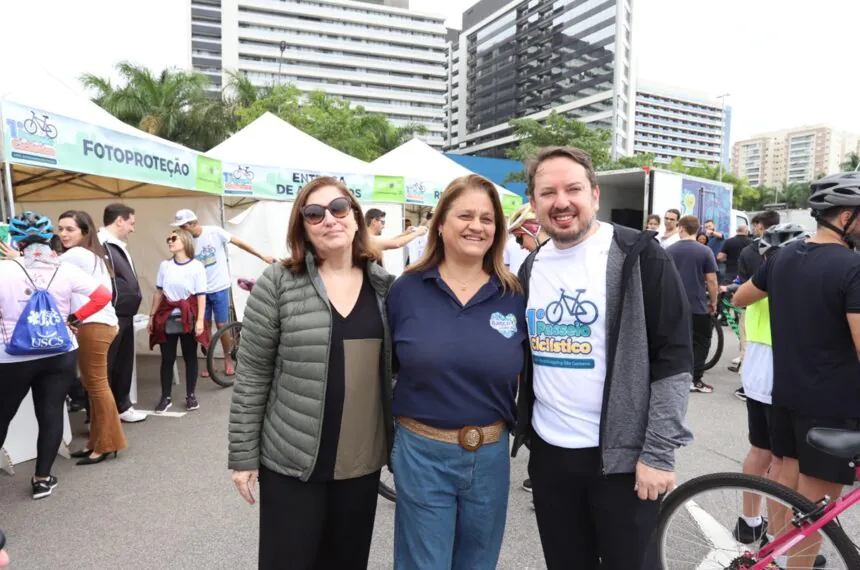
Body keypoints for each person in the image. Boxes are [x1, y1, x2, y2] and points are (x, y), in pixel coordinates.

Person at [511, 146, 693, 570]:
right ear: (534, 204)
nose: (561, 201)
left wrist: (658, 453)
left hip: (624, 462)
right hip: (551, 456)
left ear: (594, 194)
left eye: (573, 188)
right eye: (547, 192)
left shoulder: (638, 254)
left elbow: (674, 358)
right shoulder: (532, 266)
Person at [228, 177, 395, 570]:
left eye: (339, 209)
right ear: (302, 226)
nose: (329, 220)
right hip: (292, 462)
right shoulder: (279, 283)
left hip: (359, 464)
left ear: (355, 218)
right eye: (314, 213)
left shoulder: (386, 289)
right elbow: (252, 372)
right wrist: (243, 456)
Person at [387, 174, 527, 570]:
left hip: (490, 455)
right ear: (441, 223)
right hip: (421, 453)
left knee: (478, 563)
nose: (476, 226)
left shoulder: (514, 293)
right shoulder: (407, 289)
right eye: (465, 215)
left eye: (487, 218)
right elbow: (384, 368)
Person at [732, 172, 860, 570]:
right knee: (816, 510)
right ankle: (792, 563)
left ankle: (769, 555)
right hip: (834, 408)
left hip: (785, 394)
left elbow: (739, 297)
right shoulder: (852, 268)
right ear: (845, 218)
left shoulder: (783, 256)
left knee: (787, 485)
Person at [0, 211, 111, 499]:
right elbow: (103, 296)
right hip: (59, 351)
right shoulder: (65, 268)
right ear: (49, 236)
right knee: (50, 413)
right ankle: (42, 478)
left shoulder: (4, 269)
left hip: (13, 356)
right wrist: (75, 317)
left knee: (2, 417)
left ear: (17, 240)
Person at [731, 224, 808, 549]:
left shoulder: (760, 279)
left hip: (756, 372)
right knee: (782, 462)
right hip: (782, 373)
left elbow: (738, 301)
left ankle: (749, 523)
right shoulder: (795, 281)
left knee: (759, 452)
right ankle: (779, 540)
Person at [57, 210, 127, 465]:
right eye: (61, 228)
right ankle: (96, 442)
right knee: (93, 384)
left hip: (94, 325)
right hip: (100, 325)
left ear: (85, 232)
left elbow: (43, 268)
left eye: (70, 229)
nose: (63, 233)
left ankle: (108, 443)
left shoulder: (75, 255)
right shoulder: (94, 256)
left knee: (96, 386)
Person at [170, 209, 274, 379]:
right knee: (204, 328)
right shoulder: (186, 242)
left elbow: (239, 243)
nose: (181, 230)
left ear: (192, 223)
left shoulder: (214, 232)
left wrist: (261, 256)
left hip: (219, 287)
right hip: (200, 291)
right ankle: (209, 362)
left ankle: (227, 358)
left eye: (183, 226)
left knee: (221, 325)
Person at [147, 229, 208, 413]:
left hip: (188, 316)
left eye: (174, 238)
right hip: (167, 316)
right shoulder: (165, 265)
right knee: (167, 359)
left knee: (190, 357)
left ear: (185, 241)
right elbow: (158, 292)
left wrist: (199, 321)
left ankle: (191, 395)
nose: (170, 241)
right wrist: (152, 316)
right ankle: (166, 397)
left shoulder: (197, 266)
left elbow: (201, 296)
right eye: (169, 238)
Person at [99, 203, 147, 424]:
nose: (133, 229)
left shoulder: (117, 245)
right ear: (120, 220)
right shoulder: (101, 244)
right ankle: (103, 414)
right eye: (131, 223)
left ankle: (122, 406)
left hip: (125, 313)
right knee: (107, 365)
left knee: (123, 363)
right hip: (111, 314)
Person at [666, 215, 719, 393]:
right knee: (702, 342)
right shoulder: (705, 251)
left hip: (674, 307)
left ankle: (674, 377)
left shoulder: (670, 250)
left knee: (676, 342)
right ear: (697, 231)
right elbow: (711, 280)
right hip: (697, 306)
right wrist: (713, 302)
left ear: (681, 228)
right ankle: (695, 379)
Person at [731, 210, 780, 390]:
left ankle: (746, 383)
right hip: (782, 312)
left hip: (752, 305)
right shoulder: (790, 250)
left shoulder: (750, 251)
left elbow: (741, 285)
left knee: (747, 345)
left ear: (760, 226)